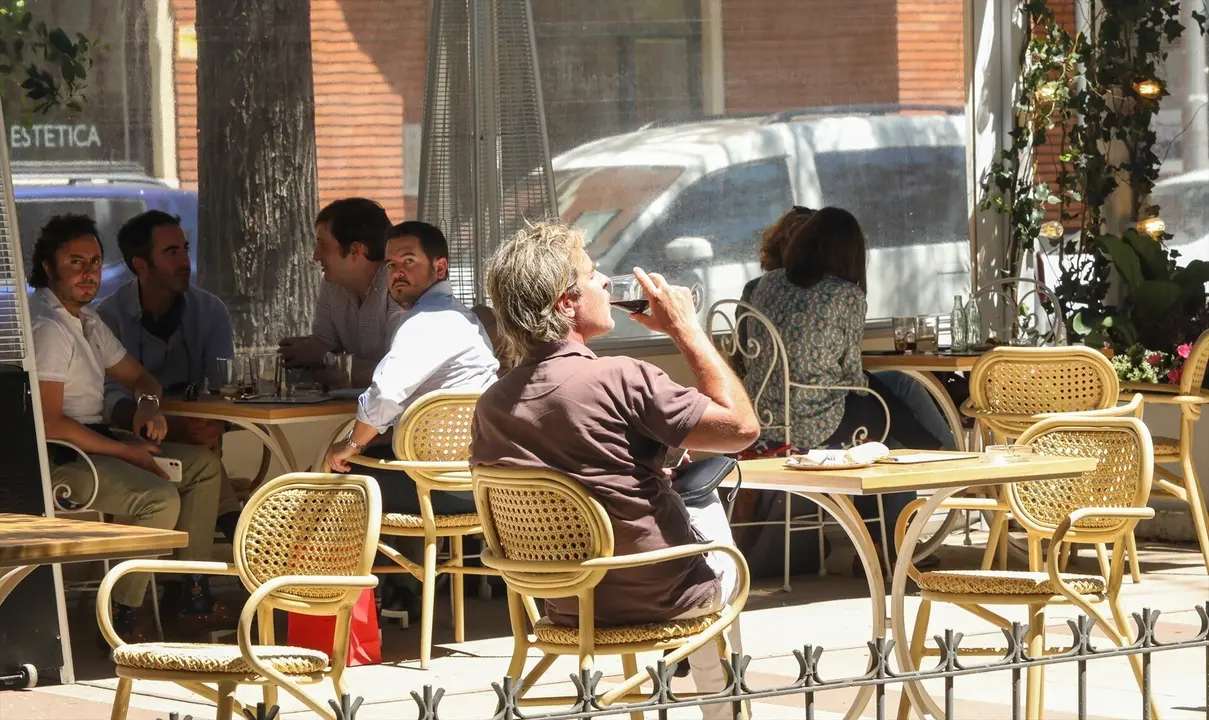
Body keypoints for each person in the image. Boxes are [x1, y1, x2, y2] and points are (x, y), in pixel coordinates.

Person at [470, 220, 759, 720]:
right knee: (705, 498)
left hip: (565, 603)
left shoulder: (491, 405)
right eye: (592, 273)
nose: (606, 281)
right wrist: (685, 328)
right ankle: (722, 707)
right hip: (662, 595)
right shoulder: (622, 376)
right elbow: (741, 429)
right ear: (566, 303)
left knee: (674, 489)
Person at [28, 214, 227, 641]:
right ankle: (120, 615)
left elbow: (140, 378)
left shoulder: (86, 319)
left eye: (95, 262)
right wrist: (126, 451)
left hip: (97, 441)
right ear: (48, 267)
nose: (88, 273)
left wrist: (148, 407)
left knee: (204, 468)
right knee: (158, 499)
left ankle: (192, 599)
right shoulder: (48, 326)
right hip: (60, 459)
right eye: (75, 262)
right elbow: (49, 422)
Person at [745, 207, 946, 561]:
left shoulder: (767, 283)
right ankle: (892, 544)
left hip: (766, 418)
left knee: (895, 389)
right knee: (887, 431)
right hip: (815, 423)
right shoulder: (846, 295)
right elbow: (852, 377)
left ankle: (932, 457)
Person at [321, 221, 498, 614]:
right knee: (362, 464)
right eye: (389, 264)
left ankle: (331, 610)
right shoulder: (464, 319)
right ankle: (389, 597)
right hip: (477, 483)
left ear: (440, 268)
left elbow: (384, 395)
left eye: (408, 261)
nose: (396, 272)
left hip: (438, 489)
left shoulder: (425, 324)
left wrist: (351, 444)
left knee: (330, 480)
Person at [97, 210, 242, 543]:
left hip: (197, 425)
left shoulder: (210, 311)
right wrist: (149, 419)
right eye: (171, 252)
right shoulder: (108, 317)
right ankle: (233, 537)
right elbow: (107, 397)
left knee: (203, 451)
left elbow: (224, 385)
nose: (184, 262)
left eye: (184, 249)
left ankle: (193, 585)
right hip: (131, 433)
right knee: (203, 464)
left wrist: (215, 423)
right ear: (141, 265)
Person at [279, 197, 403, 386]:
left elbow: (396, 374)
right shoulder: (333, 285)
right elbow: (320, 349)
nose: (315, 255)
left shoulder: (400, 289)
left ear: (355, 250)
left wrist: (325, 359)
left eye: (323, 244)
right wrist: (303, 354)